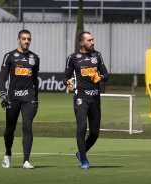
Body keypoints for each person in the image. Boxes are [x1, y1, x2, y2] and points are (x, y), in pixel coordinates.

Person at [63, 31, 109, 169]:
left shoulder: (97, 55)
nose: (92, 42)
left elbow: (106, 75)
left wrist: (100, 77)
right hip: (81, 98)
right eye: (89, 40)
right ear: (81, 43)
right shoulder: (73, 58)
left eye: (92, 39)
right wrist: (68, 82)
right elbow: (65, 77)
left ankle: (80, 153)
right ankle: (83, 160)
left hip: (95, 98)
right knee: (82, 128)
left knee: (94, 133)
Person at [0, 29, 40, 169]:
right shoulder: (9, 56)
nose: (26, 41)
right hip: (13, 98)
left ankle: (26, 160)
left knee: (27, 125)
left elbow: (35, 80)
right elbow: (3, 78)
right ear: (18, 40)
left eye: (28, 39)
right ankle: (7, 153)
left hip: (29, 97)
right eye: (24, 39)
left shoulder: (35, 58)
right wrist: (2, 94)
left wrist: (37, 99)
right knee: (10, 129)